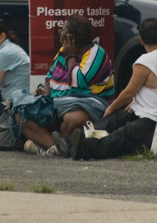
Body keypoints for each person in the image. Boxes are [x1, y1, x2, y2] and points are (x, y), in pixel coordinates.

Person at [69, 17, 157, 160]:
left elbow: (128, 93)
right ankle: (70, 143)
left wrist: (110, 109)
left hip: (156, 121)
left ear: (141, 40)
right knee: (113, 121)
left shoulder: (146, 61)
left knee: (122, 135)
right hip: (148, 114)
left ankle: (83, 147)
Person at [14, 13, 114, 157]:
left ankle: (48, 145)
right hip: (59, 104)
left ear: (71, 39)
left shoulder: (96, 54)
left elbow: (79, 81)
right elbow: (49, 78)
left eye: (63, 30)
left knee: (72, 118)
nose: (59, 32)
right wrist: (45, 93)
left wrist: (71, 57)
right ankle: (58, 147)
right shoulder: (62, 52)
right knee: (21, 116)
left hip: (90, 107)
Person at [0, 21, 30, 121]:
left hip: (15, 108)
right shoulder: (10, 48)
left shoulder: (4, 53)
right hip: (20, 103)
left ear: (2, 36)